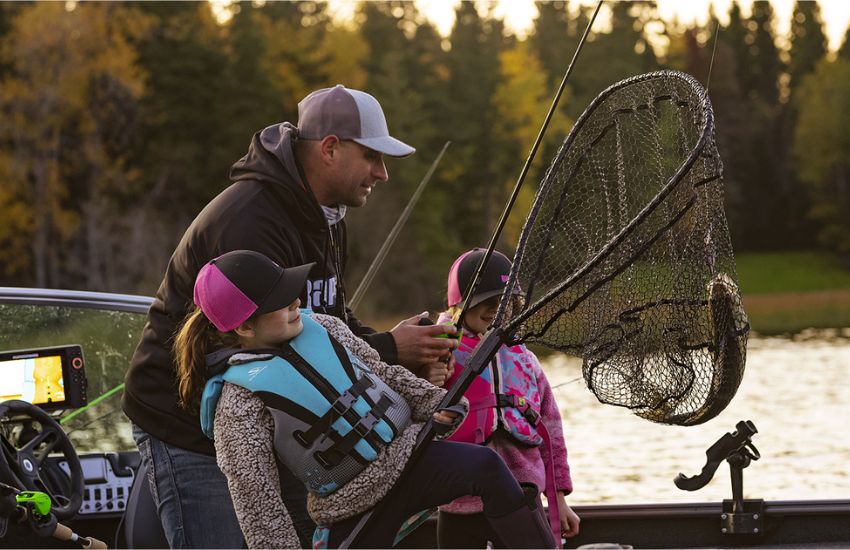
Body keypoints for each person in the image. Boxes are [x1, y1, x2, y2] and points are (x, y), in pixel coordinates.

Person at [122, 85, 456, 548]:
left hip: (278, 423)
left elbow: (329, 315)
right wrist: (391, 348)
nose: (382, 174)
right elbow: (270, 348)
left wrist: (406, 353)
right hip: (189, 426)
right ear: (331, 148)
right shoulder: (250, 223)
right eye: (372, 157)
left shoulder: (327, 216)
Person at [175, 249, 557, 549]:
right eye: (280, 298)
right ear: (244, 326)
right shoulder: (237, 400)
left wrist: (433, 403)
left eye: (291, 288)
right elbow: (257, 502)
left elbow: (382, 373)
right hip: (351, 505)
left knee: (487, 467)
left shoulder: (322, 326)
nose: (295, 300)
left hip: (409, 456)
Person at [435, 248, 581, 548]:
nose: (495, 309)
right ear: (458, 305)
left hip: (520, 496)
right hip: (458, 500)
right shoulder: (438, 351)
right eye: (484, 302)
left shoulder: (525, 359)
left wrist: (558, 500)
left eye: (503, 301)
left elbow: (552, 431)